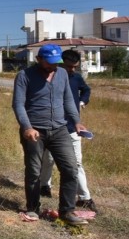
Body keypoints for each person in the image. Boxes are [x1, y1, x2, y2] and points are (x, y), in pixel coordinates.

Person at [12, 44, 90, 226]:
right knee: (34, 171)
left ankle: (67, 211)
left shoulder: (62, 74)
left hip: (60, 129)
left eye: (57, 63)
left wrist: (76, 121)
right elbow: (18, 105)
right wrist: (27, 127)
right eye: (50, 63)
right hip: (35, 130)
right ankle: (32, 207)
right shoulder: (24, 76)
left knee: (70, 168)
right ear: (39, 59)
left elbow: (68, 100)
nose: (54, 66)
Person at [39, 49, 97, 212]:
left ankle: (85, 198)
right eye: (69, 66)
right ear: (60, 63)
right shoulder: (49, 78)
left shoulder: (76, 78)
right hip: (53, 128)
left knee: (76, 163)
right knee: (48, 159)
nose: (72, 70)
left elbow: (86, 90)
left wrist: (82, 102)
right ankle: (44, 186)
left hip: (72, 128)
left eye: (75, 67)